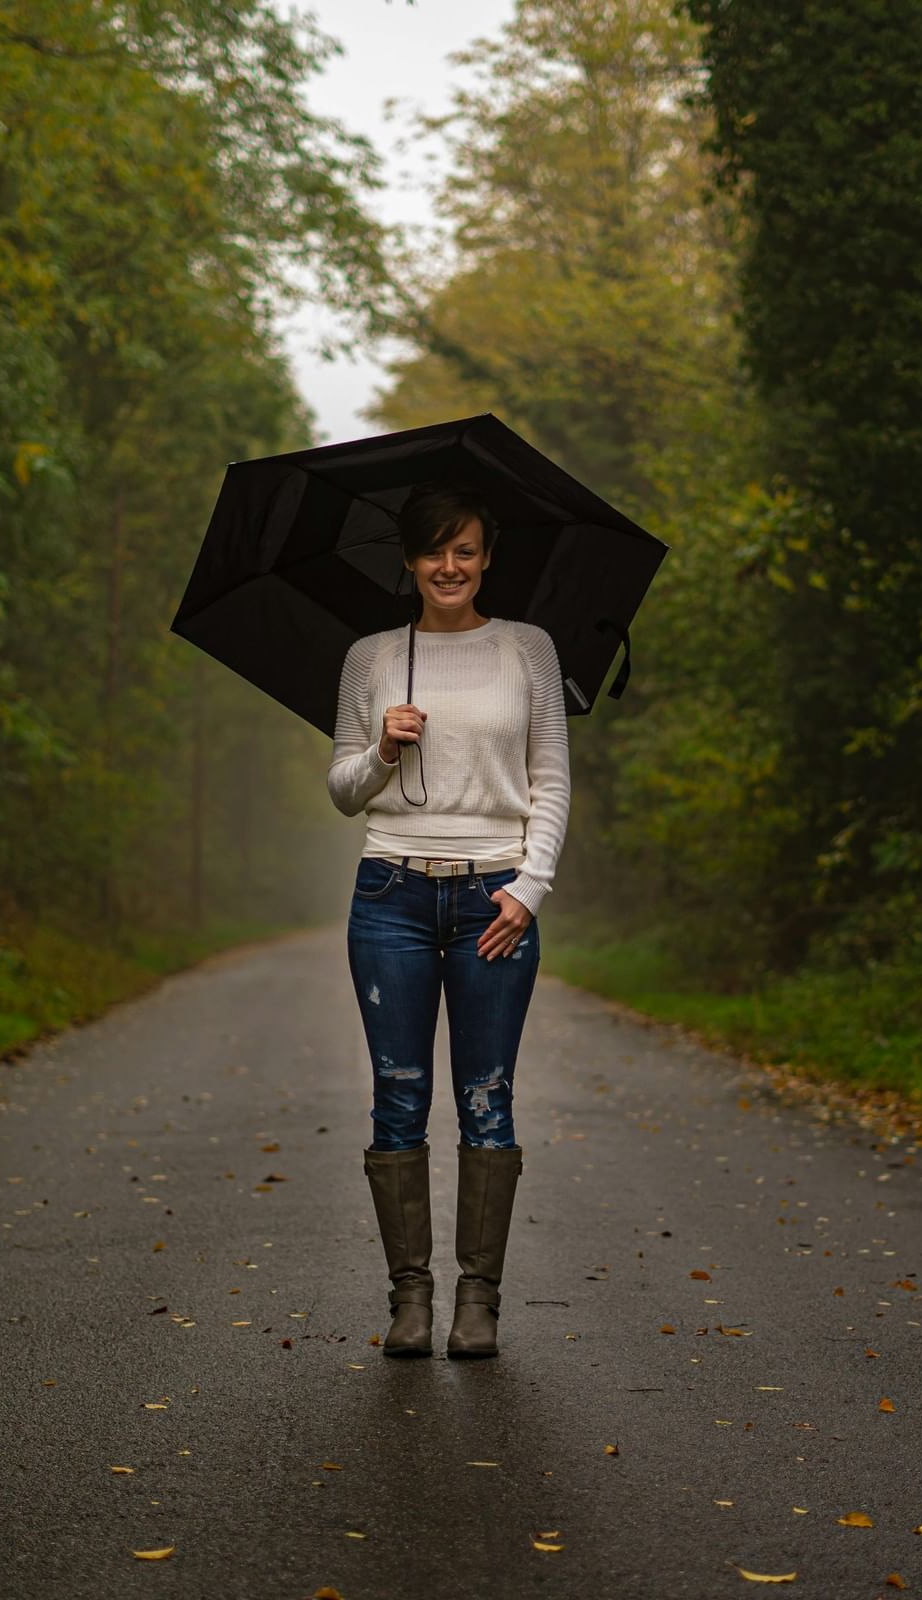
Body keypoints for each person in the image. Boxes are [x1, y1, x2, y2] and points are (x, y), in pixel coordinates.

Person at [325, 480, 571, 1359]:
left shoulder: (528, 650)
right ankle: (410, 1300)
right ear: (410, 560)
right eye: (434, 550)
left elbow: (550, 779)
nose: (450, 566)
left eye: (465, 549)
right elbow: (344, 791)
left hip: (493, 899)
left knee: (486, 1097)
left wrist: (529, 887)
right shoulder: (372, 658)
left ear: (488, 558)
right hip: (390, 894)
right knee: (398, 1097)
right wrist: (382, 750)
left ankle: (478, 1302)